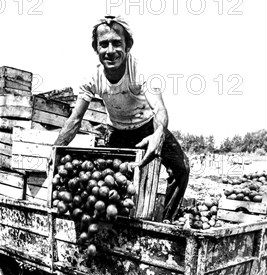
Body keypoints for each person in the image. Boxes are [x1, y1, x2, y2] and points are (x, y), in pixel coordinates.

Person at [54, 15, 190, 220]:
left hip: (147, 128)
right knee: (112, 181)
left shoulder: (141, 70)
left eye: (117, 43)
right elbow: (75, 119)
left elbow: (159, 109)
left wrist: (159, 133)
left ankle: (169, 220)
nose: (110, 51)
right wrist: (55, 150)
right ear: (95, 48)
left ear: (128, 46)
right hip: (118, 131)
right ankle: (116, 225)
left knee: (182, 169)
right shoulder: (91, 77)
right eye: (104, 44)